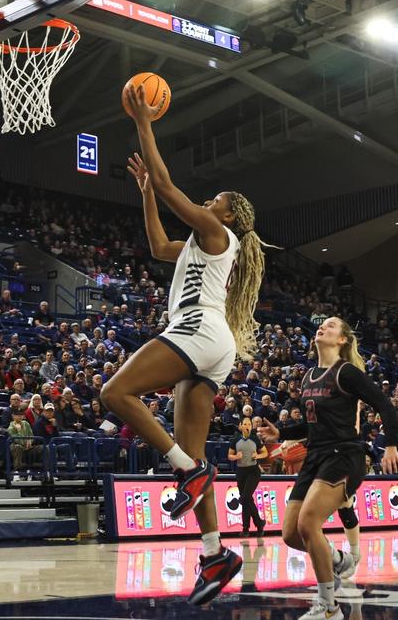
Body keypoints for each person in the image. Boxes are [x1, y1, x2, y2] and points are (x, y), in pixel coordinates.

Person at [100, 86, 274, 606]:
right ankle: (216, 553)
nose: (206, 201)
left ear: (227, 215)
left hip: (197, 332)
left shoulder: (217, 232)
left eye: (214, 200)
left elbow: (174, 186)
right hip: (211, 344)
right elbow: (157, 247)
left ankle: (190, 470)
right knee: (190, 456)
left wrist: (145, 124)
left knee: (115, 393)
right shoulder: (206, 242)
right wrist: (147, 194)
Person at [276, 317, 398, 620]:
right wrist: (281, 434)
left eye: (331, 326)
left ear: (342, 340)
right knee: (291, 534)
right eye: (321, 325)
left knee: (309, 525)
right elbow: (309, 425)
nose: (322, 327)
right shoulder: (307, 376)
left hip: (343, 455)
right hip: (315, 456)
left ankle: (328, 606)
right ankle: (340, 560)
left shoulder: (346, 372)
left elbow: (385, 405)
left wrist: (392, 445)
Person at [228, 417, 268, 537]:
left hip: (253, 471)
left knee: (245, 497)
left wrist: (258, 456)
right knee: (246, 500)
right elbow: (229, 455)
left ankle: (254, 525)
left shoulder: (255, 439)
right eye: (244, 424)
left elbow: (265, 453)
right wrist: (236, 457)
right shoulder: (235, 440)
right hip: (241, 472)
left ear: (251, 426)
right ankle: (252, 526)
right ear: (240, 426)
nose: (247, 426)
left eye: (249, 424)